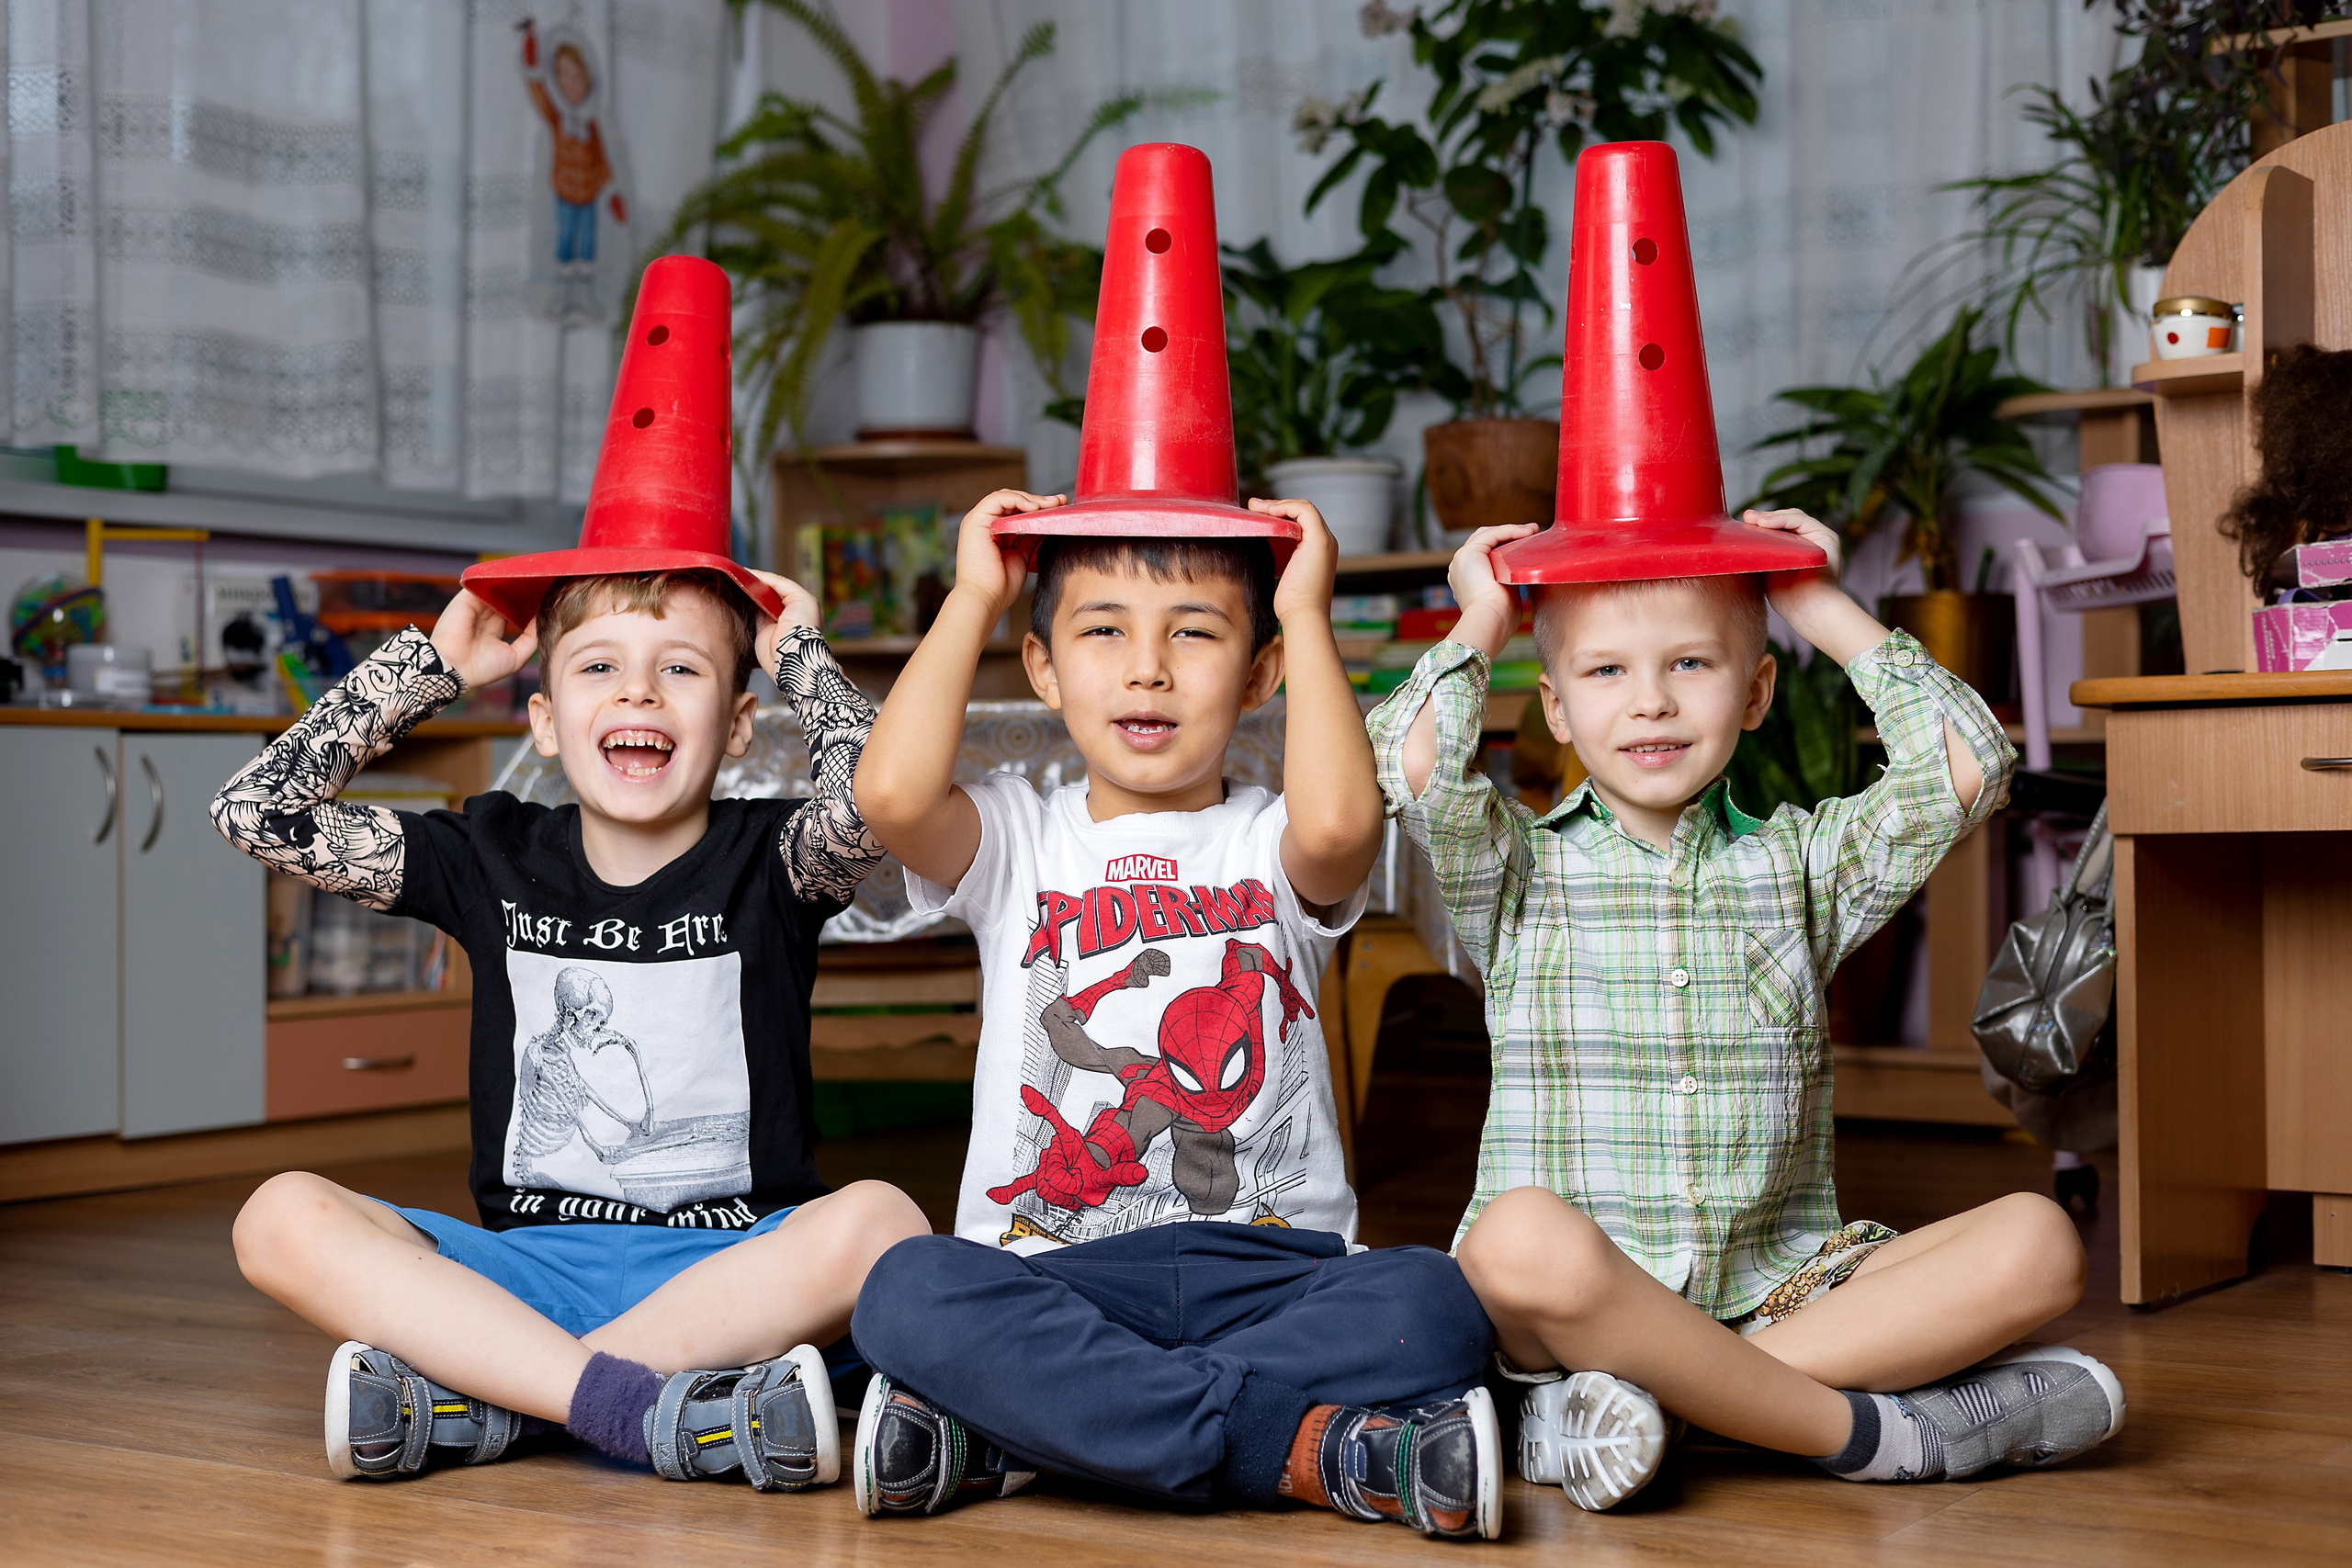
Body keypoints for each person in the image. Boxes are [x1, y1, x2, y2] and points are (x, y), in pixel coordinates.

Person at [1369, 510, 2125, 1511]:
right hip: (1571, 1307)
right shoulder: (1513, 867)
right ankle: (1873, 1434)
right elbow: (1413, 764)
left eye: (1690, 663)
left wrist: (1810, 596)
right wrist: (1486, 614)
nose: (1650, 700)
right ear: (1555, 707)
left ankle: (1656, 1412)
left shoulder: (1800, 863)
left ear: (1757, 690)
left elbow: (1968, 767)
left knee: (2040, 1239)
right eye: (1605, 672)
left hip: (1782, 1294)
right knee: (1514, 1238)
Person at [845, 490, 1502, 1540]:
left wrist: (1308, 612)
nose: (1147, 667)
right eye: (1103, 631)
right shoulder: (1017, 837)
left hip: (1277, 1277)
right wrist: (971, 597)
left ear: (1259, 674)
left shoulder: (1274, 839)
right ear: (1042, 667)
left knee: (1435, 1304)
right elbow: (889, 796)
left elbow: (1344, 824)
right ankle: (1311, 1450)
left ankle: (1028, 1435)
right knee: (905, 1292)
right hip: (1056, 1278)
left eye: (1193, 633)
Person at [213, 569, 927, 1490]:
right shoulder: (491, 852)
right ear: (545, 722)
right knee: (277, 1217)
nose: (639, 692)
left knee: (884, 1221)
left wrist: (799, 657)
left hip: (735, 1277)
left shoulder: (780, 858)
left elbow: (883, 799)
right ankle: (647, 1401)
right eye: (599, 667)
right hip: (524, 1278)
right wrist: (431, 666)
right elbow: (255, 811)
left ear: (739, 723)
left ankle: (505, 1399)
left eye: (680, 668)